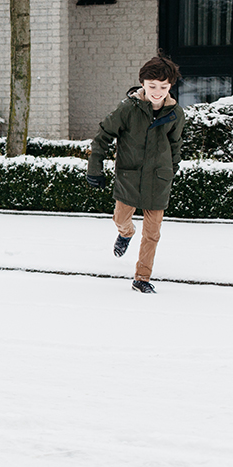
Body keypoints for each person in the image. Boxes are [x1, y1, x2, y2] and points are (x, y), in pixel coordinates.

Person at [86, 55, 185, 294]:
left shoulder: (175, 113)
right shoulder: (128, 109)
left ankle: (142, 278)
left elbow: (175, 145)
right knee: (120, 218)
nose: (157, 91)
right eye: (152, 86)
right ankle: (126, 233)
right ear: (143, 83)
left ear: (170, 86)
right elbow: (103, 136)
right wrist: (94, 168)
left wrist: (172, 168)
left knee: (152, 234)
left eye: (163, 87)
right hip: (129, 177)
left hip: (159, 180)